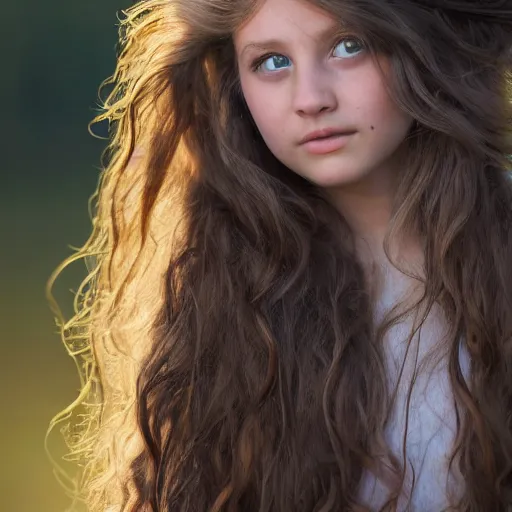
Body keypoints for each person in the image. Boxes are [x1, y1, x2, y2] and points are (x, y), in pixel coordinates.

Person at [45, 0, 512, 510]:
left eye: (348, 45)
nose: (310, 99)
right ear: (234, 84)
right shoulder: (229, 300)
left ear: (425, 45)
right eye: (271, 61)